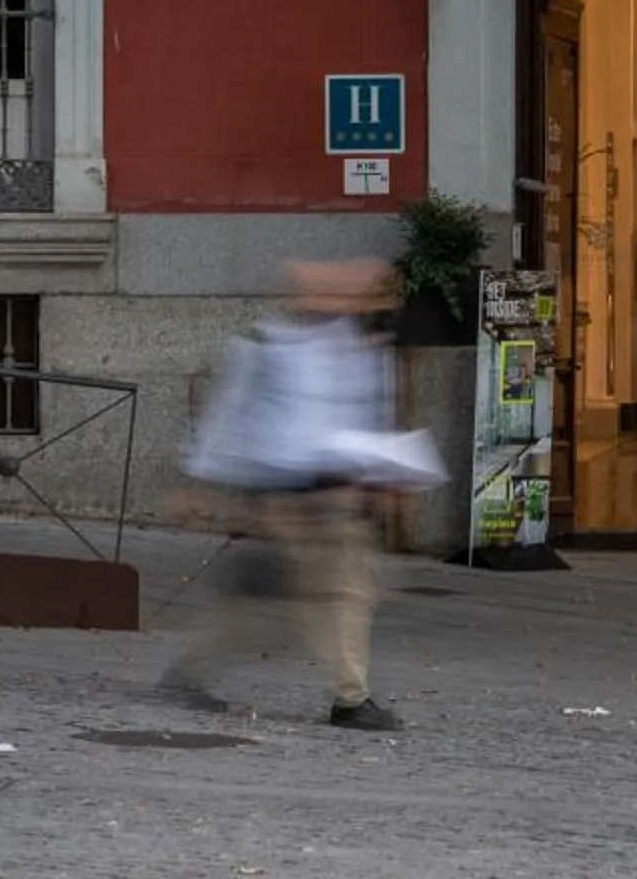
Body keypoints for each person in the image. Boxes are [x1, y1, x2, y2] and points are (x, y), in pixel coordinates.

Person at [163, 258, 441, 732]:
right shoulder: (269, 348)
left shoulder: (364, 353)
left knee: (336, 595)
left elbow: (363, 425)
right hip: (289, 496)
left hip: (338, 499)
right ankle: (349, 699)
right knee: (321, 599)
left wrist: (383, 476)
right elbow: (229, 417)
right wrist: (199, 484)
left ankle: (199, 672)